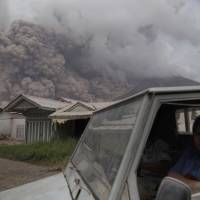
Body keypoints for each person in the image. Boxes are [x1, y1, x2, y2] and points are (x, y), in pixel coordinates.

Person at [169, 116, 200, 193]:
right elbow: (171, 176)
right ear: (194, 136)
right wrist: (196, 185)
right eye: (199, 134)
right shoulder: (191, 152)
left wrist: (182, 181)